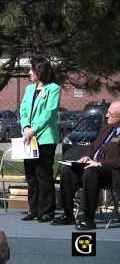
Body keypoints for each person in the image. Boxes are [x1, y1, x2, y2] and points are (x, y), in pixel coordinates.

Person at [52, 100, 120, 230]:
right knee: (68, 170)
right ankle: (68, 214)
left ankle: (88, 218)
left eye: (111, 114)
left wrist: (99, 164)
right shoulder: (106, 128)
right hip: (93, 166)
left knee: (91, 171)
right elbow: (93, 146)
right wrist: (87, 156)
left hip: (110, 171)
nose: (106, 116)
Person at [19, 56, 61, 222]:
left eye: (32, 70)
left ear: (40, 71)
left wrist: (34, 130)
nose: (29, 73)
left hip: (45, 138)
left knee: (43, 175)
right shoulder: (29, 89)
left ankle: (46, 211)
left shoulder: (54, 89)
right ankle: (33, 209)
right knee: (31, 176)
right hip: (29, 138)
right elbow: (22, 110)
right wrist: (25, 127)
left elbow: (49, 114)